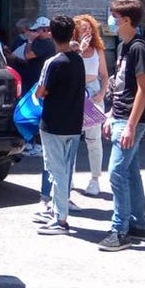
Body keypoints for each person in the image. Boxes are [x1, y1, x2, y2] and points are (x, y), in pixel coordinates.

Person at [99, 0, 145, 252]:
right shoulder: (125, 46)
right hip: (121, 115)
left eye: (113, 15)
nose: (110, 20)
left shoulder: (138, 48)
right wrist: (111, 112)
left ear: (125, 19)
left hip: (131, 120)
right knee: (130, 171)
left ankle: (119, 229)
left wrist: (131, 126)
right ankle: (138, 223)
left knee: (116, 172)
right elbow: (123, 86)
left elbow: (144, 89)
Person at [33, 16, 86, 236]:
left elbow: (40, 92)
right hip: (74, 124)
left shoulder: (53, 62)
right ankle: (59, 210)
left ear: (52, 35)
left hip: (53, 124)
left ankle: (60, 218)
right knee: (65, 169)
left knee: (56, 171)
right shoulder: (78, 60)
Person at [74, 14, 108, 196]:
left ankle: (95, 179)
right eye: (82, 28)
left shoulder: (98, 50)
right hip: (75, 92)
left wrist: (102, 92)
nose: (86, 31)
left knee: (94, 138)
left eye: (89, 28)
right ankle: (69, 177)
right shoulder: (72, 50)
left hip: (93, 92)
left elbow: (104, 75)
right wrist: (80, 49)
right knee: (70, 137)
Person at [17, 16, 55, 93]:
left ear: (44, 30)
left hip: (37, 81)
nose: (33, 32)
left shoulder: (45, 43)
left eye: (36, 30)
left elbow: (28, 55)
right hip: (33, 78)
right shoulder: (40, 41)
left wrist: (30, 41)